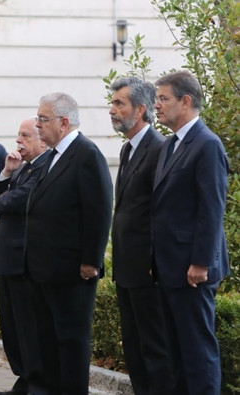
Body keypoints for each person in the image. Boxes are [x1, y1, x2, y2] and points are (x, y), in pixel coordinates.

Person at [25, 93, 113, 393]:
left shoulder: (86, 154)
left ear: (64, 123)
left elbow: (99, 211)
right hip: (43, 269)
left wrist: (91, 260)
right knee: (48, 340)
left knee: (71, 341)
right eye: (37, 118)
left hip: (72, 271)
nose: (38, 125)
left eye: (43, 119)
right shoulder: (52, 155)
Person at [151, 70, 230, 394]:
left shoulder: (207, 145)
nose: (156, 105)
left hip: (192, 270)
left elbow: (211, 210)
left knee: (198, 352)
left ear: (185, 101)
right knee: (177, 353)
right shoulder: (171, 145)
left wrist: (201, 263)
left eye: (163, 99)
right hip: (170, 267)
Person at [108, 77, 173, 394]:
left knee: (154, 348)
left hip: (149, 271)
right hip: (127, 269)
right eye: (113, 103)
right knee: (133, 347)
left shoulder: (160, 149)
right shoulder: (127, 149)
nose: (112, 110)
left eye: (119, 103)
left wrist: (153, 261)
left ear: (142, 109)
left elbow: (162, 212)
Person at [0, 119, 49, 394]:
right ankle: (23, 380)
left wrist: (4, 199)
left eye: (25, 136)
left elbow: (14, 201)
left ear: (42, 140)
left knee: (28, 327)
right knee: (11, 327)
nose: (18, 141)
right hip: (6, 259)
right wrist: (7, 173)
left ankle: (36, 384)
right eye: (18, 135)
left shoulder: (46, 167)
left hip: (24, 260)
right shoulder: (23, 167)